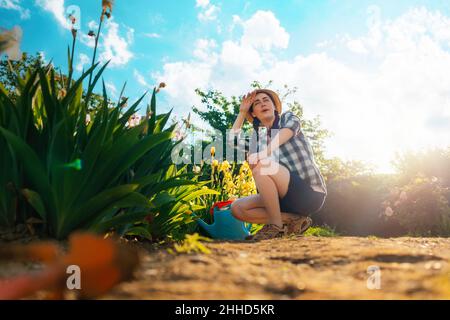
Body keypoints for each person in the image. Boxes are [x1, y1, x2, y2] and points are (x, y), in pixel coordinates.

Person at [229, 89, 327, 241]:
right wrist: (242, 112)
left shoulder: (287, 118)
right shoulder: (259, 139)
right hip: (283, 199)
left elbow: (288, 131)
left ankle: (275, 226)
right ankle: (292, 219)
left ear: (274, 107)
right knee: (237, 208)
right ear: (254, 113)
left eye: (266, 100)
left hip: (309, 193)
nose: (262, 104)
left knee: (263, 165)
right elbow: (233, 141)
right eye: (257, 103)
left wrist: (263, 153)